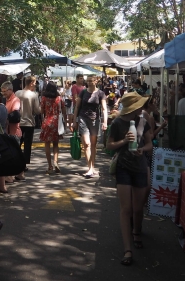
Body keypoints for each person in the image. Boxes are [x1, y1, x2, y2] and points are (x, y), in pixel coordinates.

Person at [106, 92, 154, 267]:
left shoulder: (143, 121)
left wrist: (143, 149)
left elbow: (150, 143)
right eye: (140, 104)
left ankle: (137, 232)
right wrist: (124, 140)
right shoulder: (118, 123)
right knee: (126, 209)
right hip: (123, 168)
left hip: (140, 167)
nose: (142, 107)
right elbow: (109, 145)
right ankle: (128, 249)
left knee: (138, 209)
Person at [73, 75, 107, 178]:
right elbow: (77, 106)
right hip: (83, 118)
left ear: (96, 81)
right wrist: (74, 120)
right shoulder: (83, 92)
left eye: (91, 81)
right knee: (86, 144)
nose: (88, 82)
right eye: (87, 81)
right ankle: (90, 168)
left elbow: (104, 109)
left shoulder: (100, 93)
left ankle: (92, 167)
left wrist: (104, 122)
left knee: (93, 144)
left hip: (94, 120)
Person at [15, 75, 41, 180]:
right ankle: (23, 167)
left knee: (17, 144)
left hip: (17, 123)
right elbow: (37, 110)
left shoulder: (17, 93)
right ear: (31, 83)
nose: (35, 85)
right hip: (29, 122)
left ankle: (16, 164)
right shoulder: (34, 95)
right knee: (27, 146)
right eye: (34, 83)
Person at [39, 82, 65, 174]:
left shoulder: (44, 98)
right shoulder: (59, 98)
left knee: (47, 144)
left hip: (47, 121)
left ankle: (49, 166)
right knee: (55, 144)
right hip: (56, 122)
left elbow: (41, 111)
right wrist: (66, 121)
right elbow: (64, 110)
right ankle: (55, 162)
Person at [0, 81, 21, 184]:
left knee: (12, 155)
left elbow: (16, 115)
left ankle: (10, 176)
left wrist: (5, 118)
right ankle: (20, 174)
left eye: (5, 91)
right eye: (2, 91)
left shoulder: (15, 100)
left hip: (14, 132)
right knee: (15, 154)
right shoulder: (6, 100)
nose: (3, 93)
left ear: (11, 90)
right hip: (9, 132)